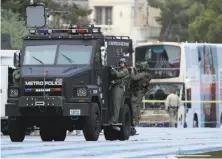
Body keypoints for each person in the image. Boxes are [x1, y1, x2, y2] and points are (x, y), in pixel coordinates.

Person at [130, 61, 152, 135]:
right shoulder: (147, 75)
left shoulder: (143, 74)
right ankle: (136, 118)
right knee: (137, 105)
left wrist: (131, 72)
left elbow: (134, 78)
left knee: (134, 105)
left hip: (138, 91)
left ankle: (134, 119)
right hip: (140, 92)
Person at [109, 58, 129, 128]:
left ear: (125, 64)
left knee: (116, 104)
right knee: (113, 104)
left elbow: (117, 75)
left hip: (119, 88)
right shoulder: (120, 69)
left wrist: (113, 69)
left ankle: (115, 120)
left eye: (123, 63)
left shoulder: (125, 70)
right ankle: (113, 118)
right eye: (120, 63)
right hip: (115, 87)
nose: (121, 64)